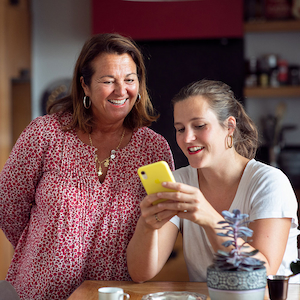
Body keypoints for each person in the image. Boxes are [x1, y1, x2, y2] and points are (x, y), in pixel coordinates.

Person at [0, 33, 174, 300]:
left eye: (130, 79)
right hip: (39, 292)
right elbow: (8, 204)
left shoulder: (154, 149)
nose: (121, 90)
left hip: (114, 295)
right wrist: (41, 248)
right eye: (108, 81)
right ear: (85, 85)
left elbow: (159, 226)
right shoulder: (45, 133)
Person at [127, 79, 299, 283]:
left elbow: (261, 275)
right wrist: (147, 226)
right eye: (180, 129)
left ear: (229, 127)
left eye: (199, 126)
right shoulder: (179, 181)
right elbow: (140, 274)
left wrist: (210, 218)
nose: (187, 138)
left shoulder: (269, 183)